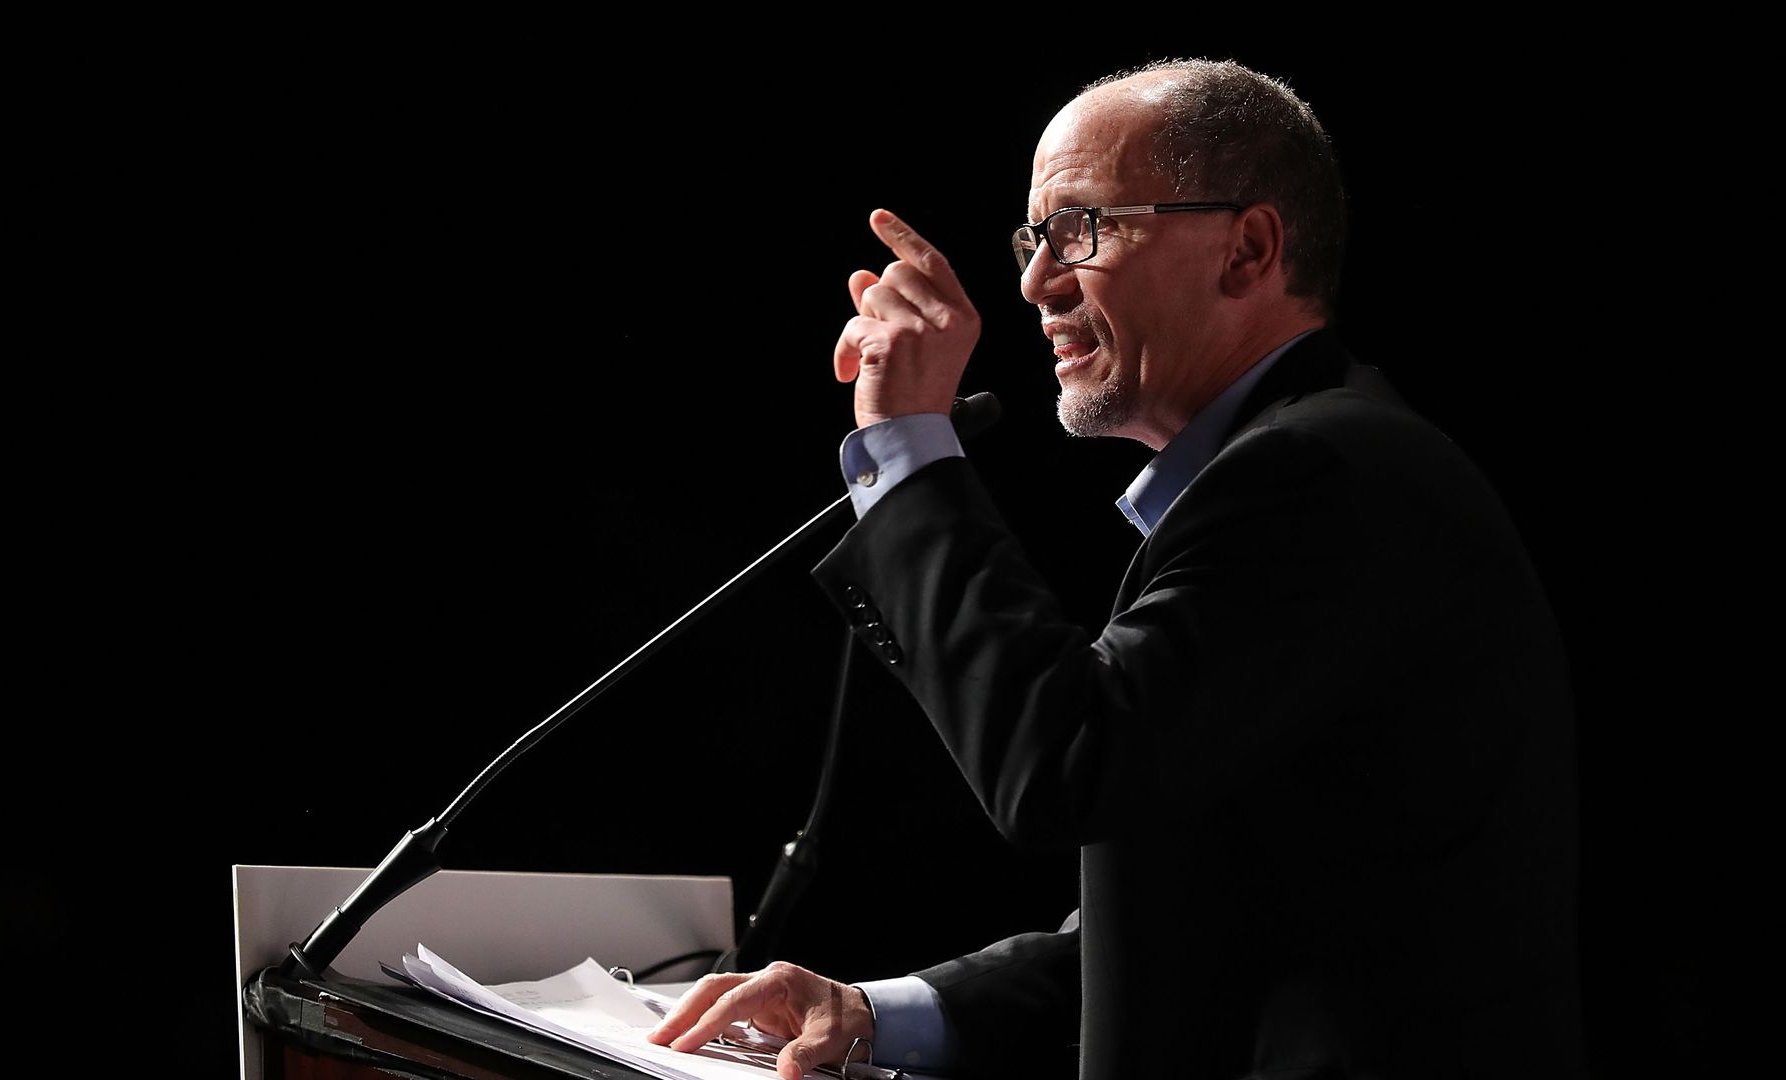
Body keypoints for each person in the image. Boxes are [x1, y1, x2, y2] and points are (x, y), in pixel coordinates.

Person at [649, 59, 1583, 1079]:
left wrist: (911, 446)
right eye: (1031, 238)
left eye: (1081, 230)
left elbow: (1066, 764)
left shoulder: (1329, 477)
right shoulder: (1296, 474)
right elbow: (1200, 923)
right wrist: (878, 1010)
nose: (1035, 282)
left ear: (1248, 249)